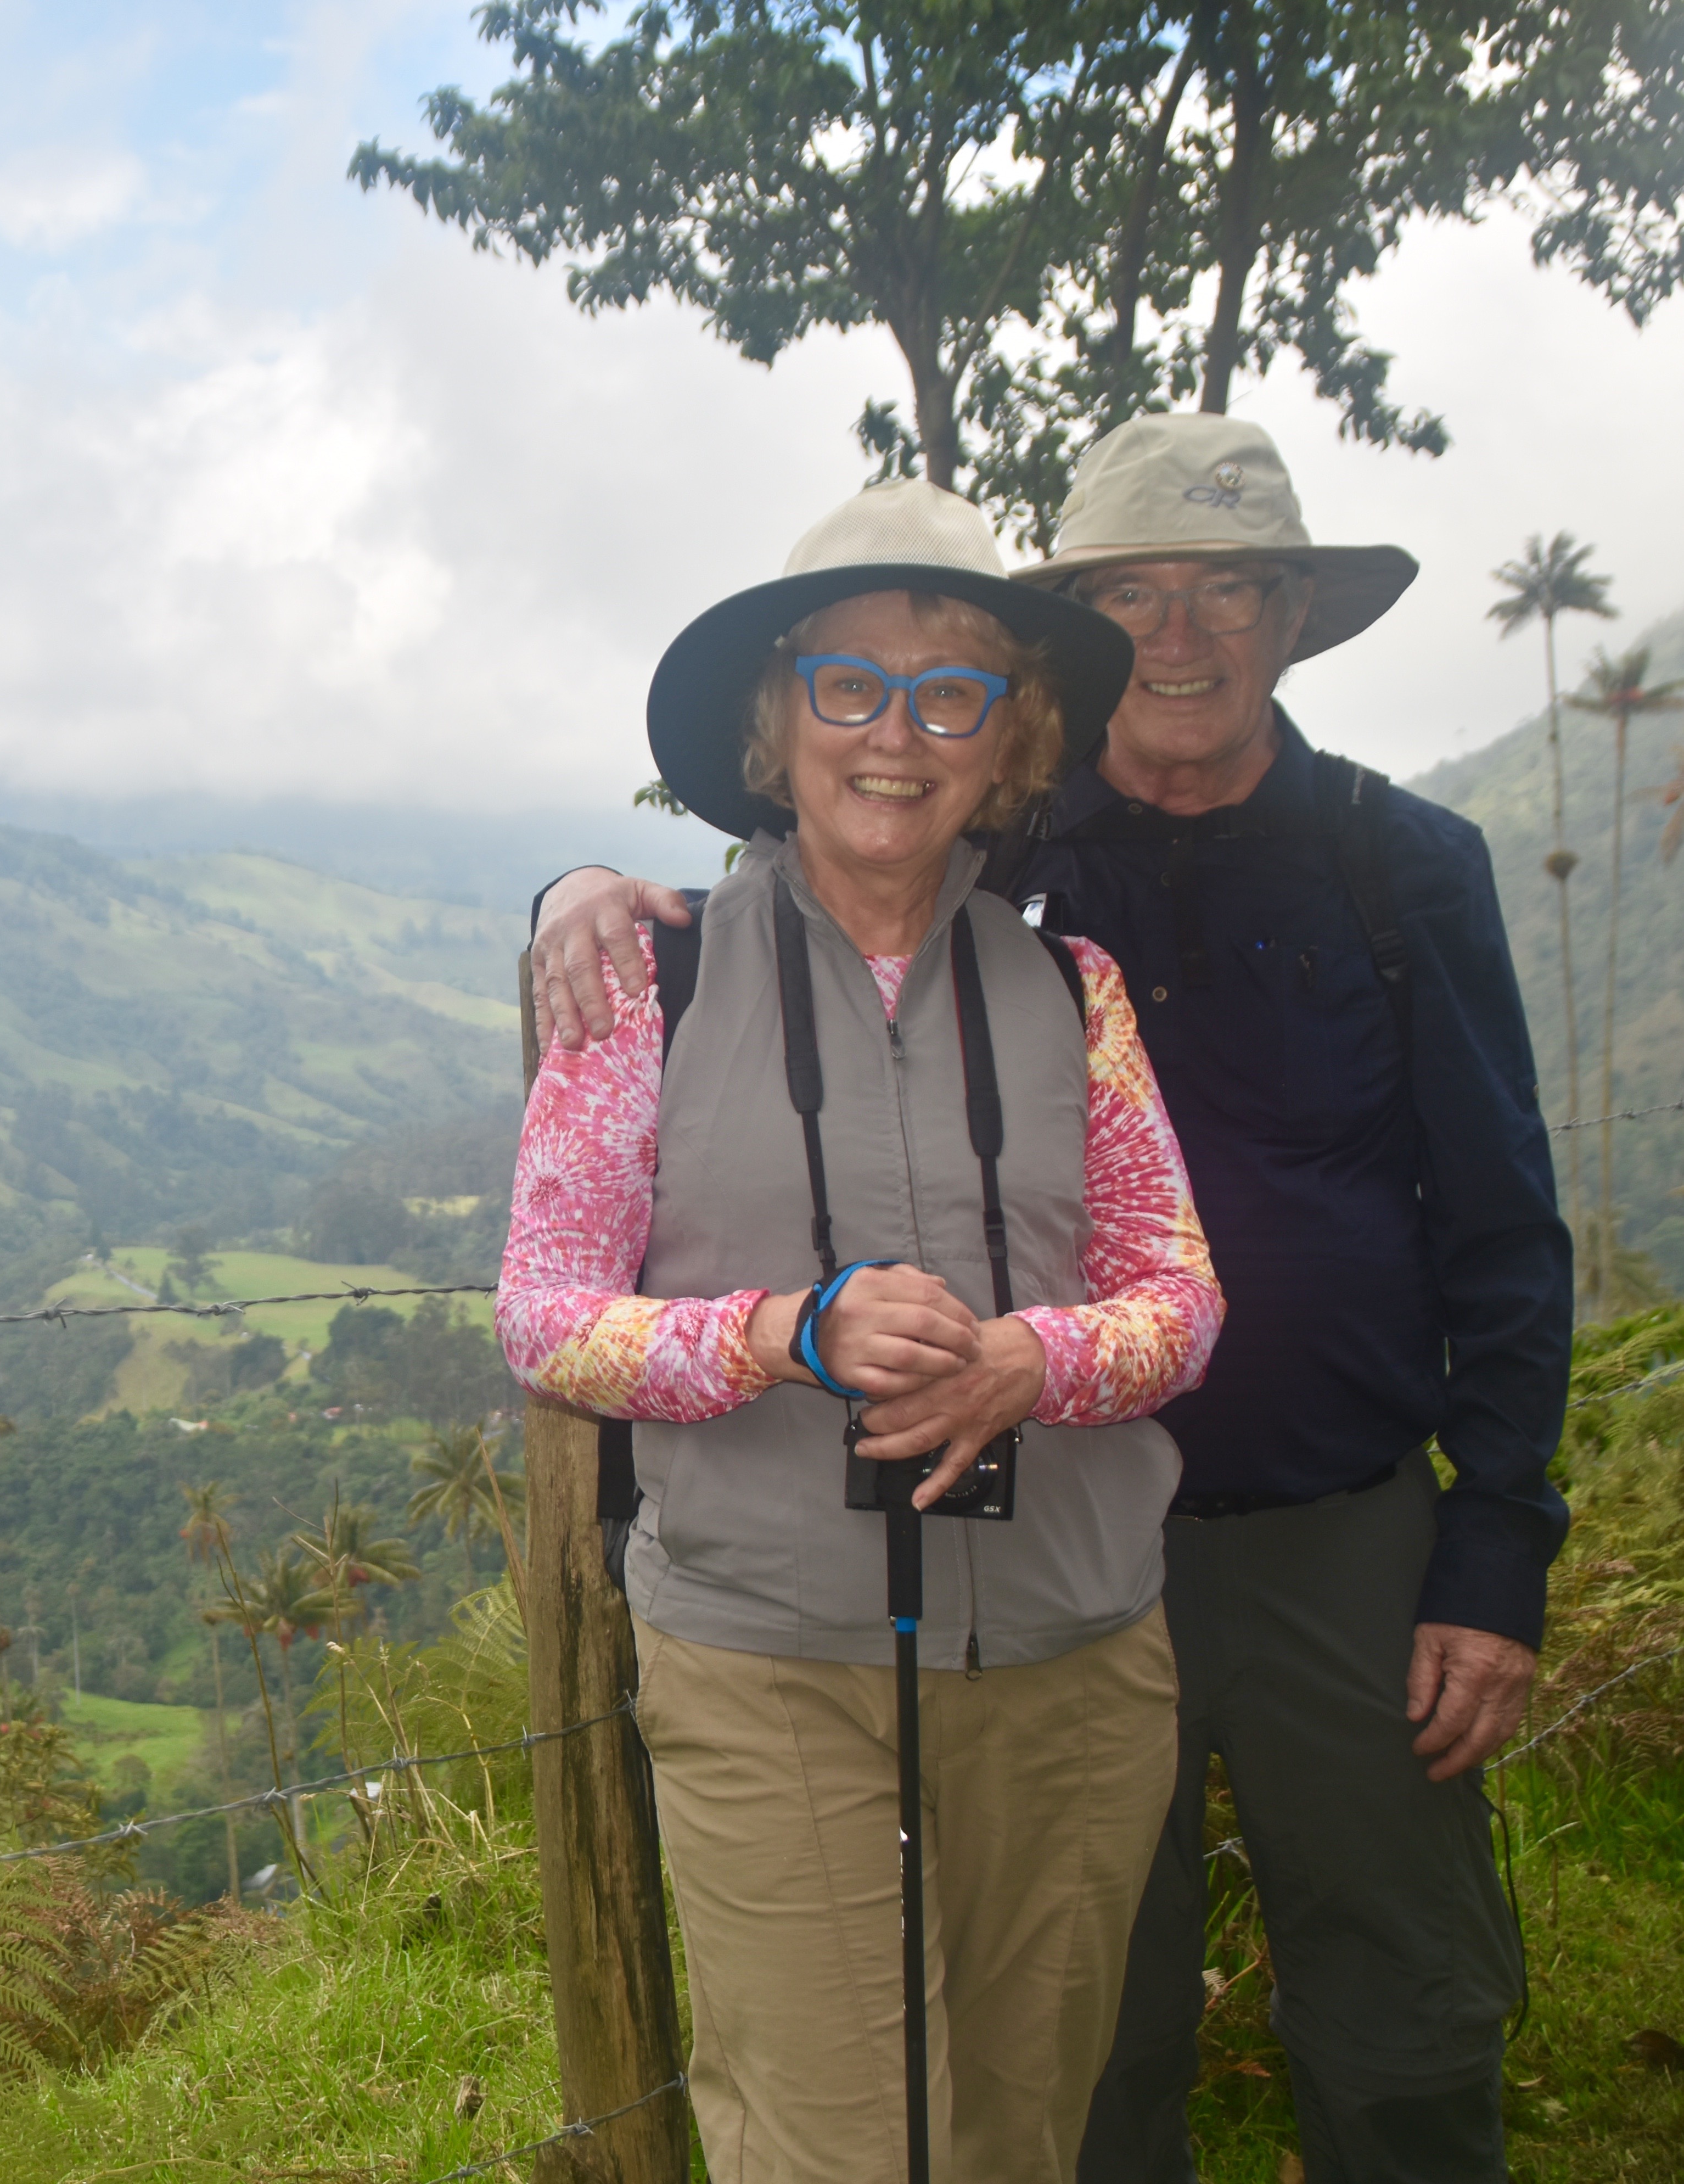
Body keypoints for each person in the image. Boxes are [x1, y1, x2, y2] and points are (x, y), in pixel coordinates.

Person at [529, 415, 1569, 2184]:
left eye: (1225, 583)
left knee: (1401, 2008)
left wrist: (1493, 1551)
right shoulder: (1011, 857)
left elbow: (1499, 1228)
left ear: (1291, 615)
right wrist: (574, 894)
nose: (1179, 630)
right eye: (1130, 593)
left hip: (1327, 1535)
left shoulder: (1397, 868)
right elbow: (805, 930)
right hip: (1035, 1560)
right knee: (1089, 2055)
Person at [498, 476, 1223, 2182]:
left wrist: (1025, 1363)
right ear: (777, 722)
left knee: (1014, 2135)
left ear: (1009, 739)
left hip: (1068, 1653)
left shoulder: (1072, 992)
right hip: (770, 1662)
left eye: (952, 691)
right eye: (849, 684)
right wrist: (777, 1335)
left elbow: (1178, 1298)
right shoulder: (645, 986)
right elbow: (543, 1315)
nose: (895, 733)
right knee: (824, 2148)